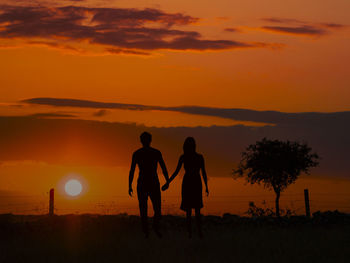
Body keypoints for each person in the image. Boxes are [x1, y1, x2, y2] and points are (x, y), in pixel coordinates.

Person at [162, 137, 209, 238]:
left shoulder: (186, 157)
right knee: (196, 210)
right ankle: (196, 233)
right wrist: (168, 182)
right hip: (194, 182)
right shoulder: (196, 157)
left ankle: (192, 233)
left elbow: (203, 173)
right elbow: (203, 173)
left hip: (190, 182)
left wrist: (168, 183)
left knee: (191, 210)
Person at [129, 132, 169, 238]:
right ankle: (148, 231)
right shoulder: (153, 152)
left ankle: (150, 230)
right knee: (151, 209)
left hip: (147, 183)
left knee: (148, 209)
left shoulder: (140, 153)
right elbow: (132, 170)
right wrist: (167, 181)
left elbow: (132, 171)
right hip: (149, 183)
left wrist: (129, 185)